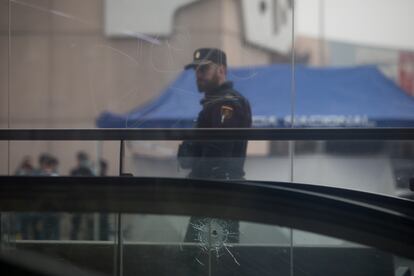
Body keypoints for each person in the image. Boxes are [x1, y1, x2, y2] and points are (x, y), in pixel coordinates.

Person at [177, 48, 252, 264]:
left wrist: (194, 177)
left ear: (221, 70)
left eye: (204, 69)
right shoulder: (214, 104)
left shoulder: (225, 104)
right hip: (216, 193)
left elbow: (217, 156)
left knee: (201, 261)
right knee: (205, 260)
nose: (198, 75)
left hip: (219, 194)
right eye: (196, 70)